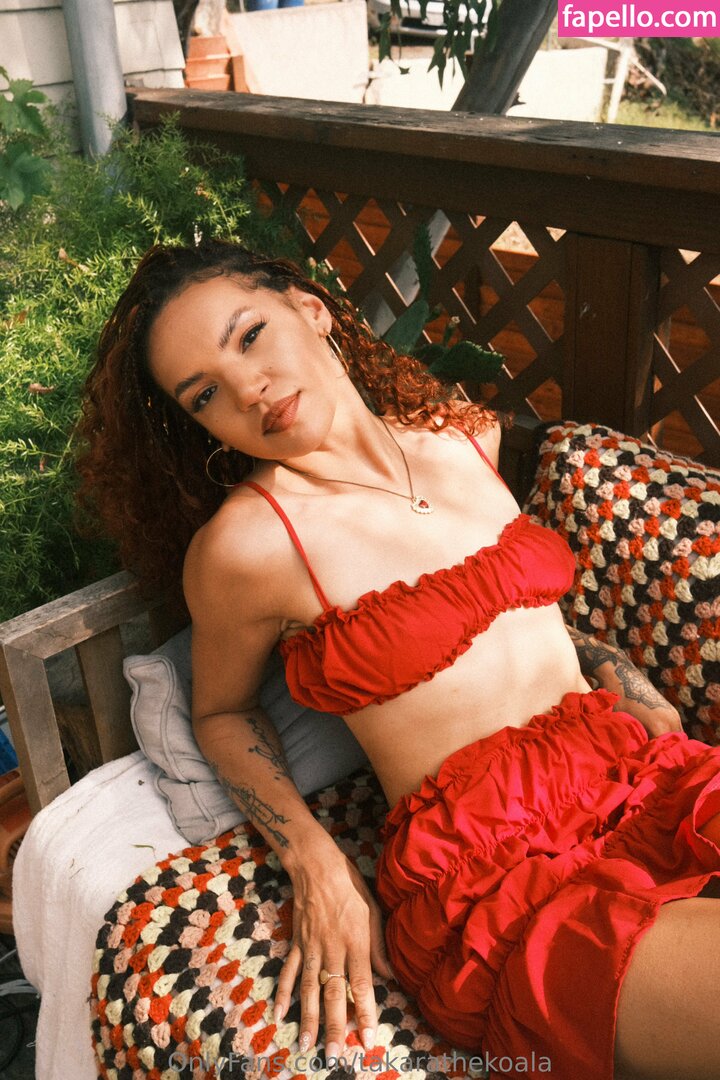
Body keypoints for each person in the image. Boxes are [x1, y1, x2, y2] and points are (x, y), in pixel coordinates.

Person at [77, 239, 720, 1080]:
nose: (248, 389)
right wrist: (314, 861)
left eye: (250, 336)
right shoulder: (248, 546)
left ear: (311, 310)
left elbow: (511, 602)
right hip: (497, 874)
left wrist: (620, 675)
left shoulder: (463, 436)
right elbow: (222, 712)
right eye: (205, 394)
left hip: (638, 775)